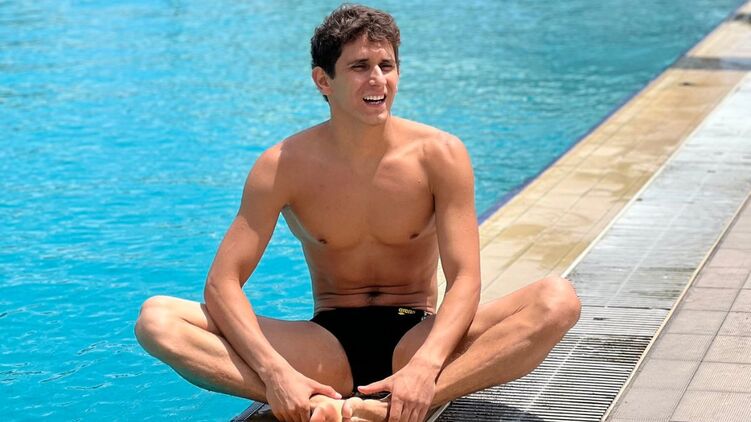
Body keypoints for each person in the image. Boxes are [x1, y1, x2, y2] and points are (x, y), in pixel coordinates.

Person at [135, 4, 581, 422]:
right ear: (323, 80)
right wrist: (275, 373)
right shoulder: (282, 166)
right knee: (158, 320)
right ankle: (311, 398)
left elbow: (465, 278)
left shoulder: (440, 155)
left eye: (387, 65)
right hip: (325, 347)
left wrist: (426, 366)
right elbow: (222, 284)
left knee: (557, 300)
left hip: (416, 337)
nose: (377, 80)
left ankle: (386, 409)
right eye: (359, 67)